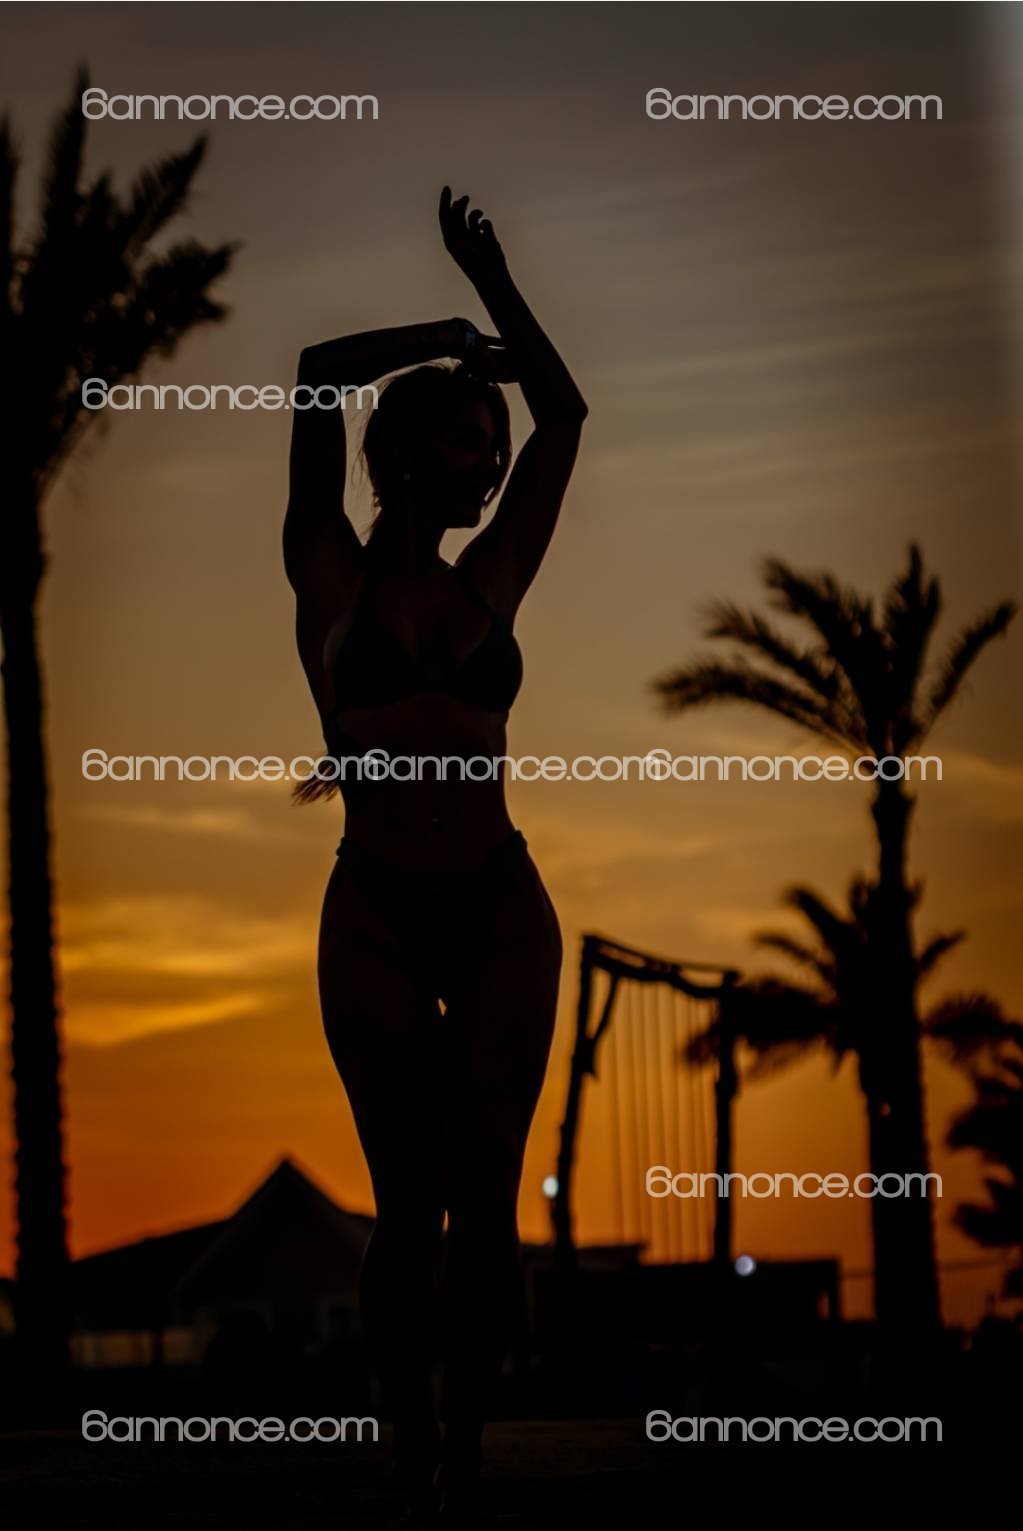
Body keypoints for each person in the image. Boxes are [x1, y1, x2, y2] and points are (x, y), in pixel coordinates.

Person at [284, 188, 587, 1520]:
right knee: (407, 1206)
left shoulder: (493, 579)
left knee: (489, 1198)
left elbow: (566, 420)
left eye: (491, 448)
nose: (489, 466)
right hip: (376, 914)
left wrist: (501, 293)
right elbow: (313, 376)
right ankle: (406, 1443)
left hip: (500, 905)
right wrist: (450, 336)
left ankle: (465, 1449)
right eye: (469, 442)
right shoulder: (327, 571)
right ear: (407, 452)